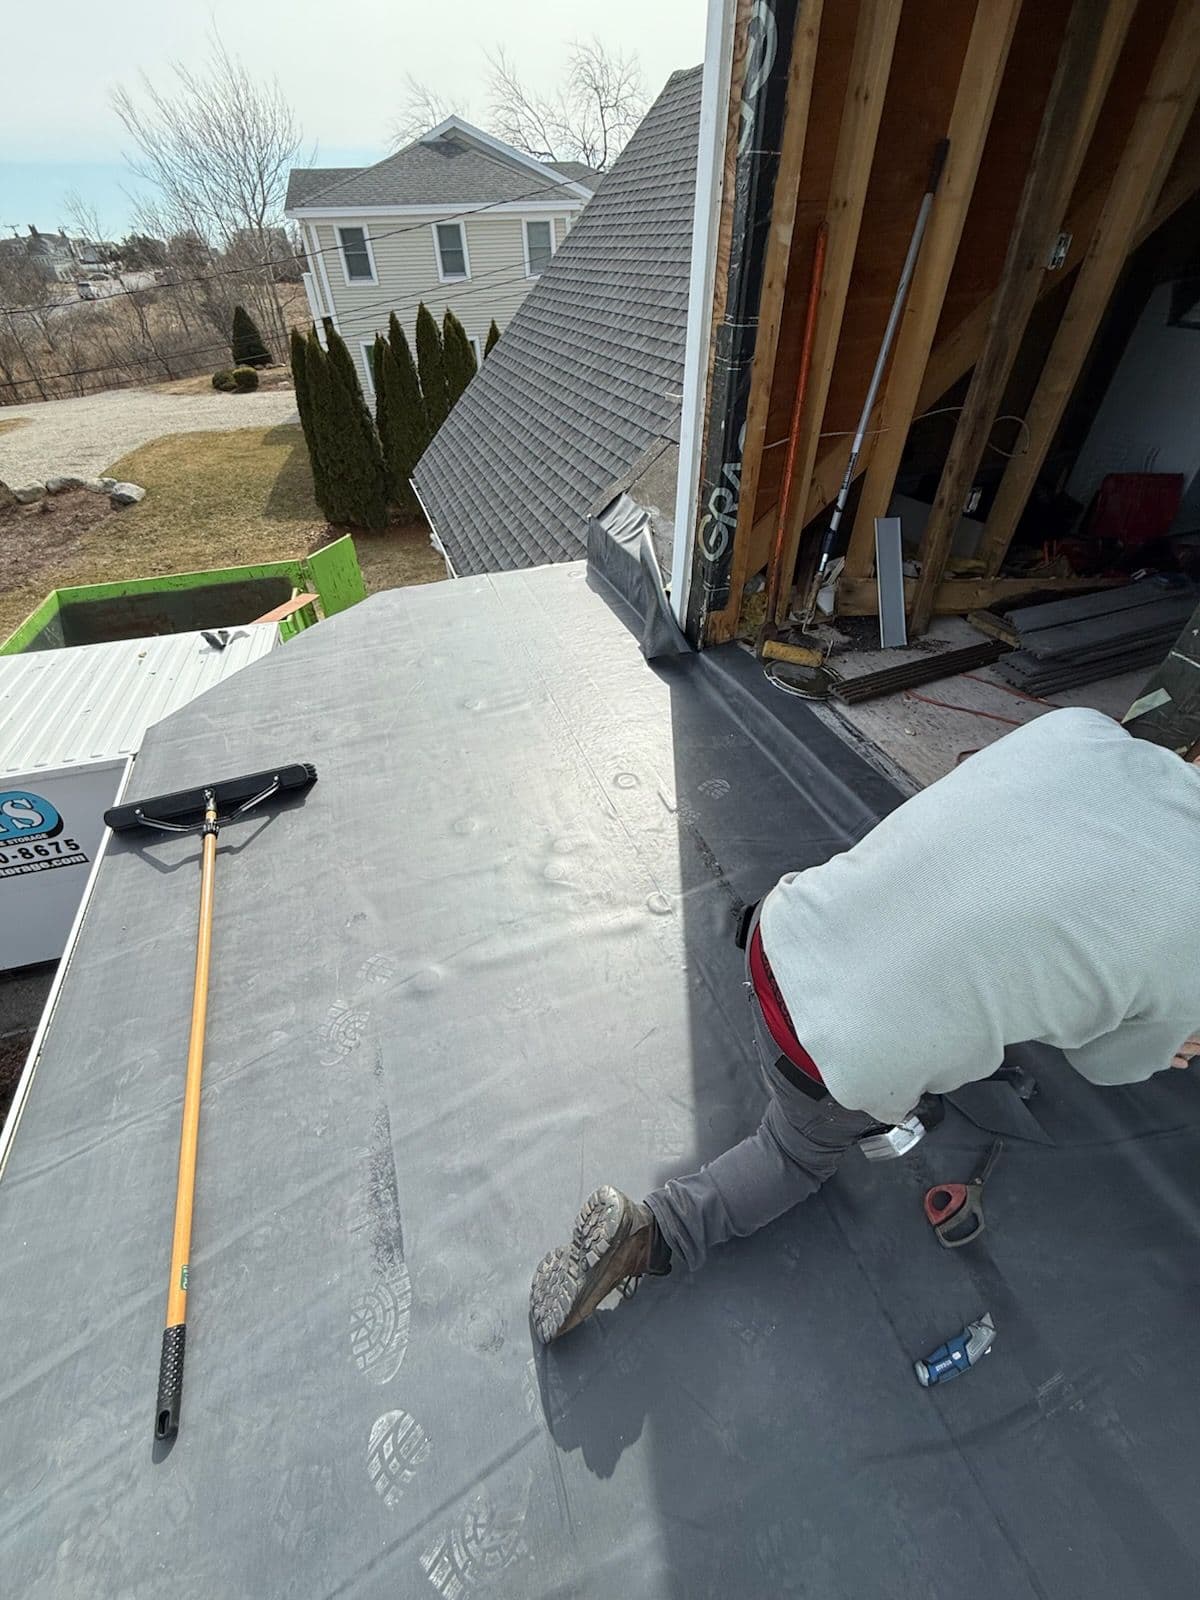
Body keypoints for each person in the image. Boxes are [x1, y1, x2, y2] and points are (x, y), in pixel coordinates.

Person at [529, 707, 1200, 1344]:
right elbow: (1103, 1063)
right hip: (827, 1048)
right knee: (793, 1155)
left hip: (784, 927)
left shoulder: (1081, 729)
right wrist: (1168, 1042)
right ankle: (656, 1231)